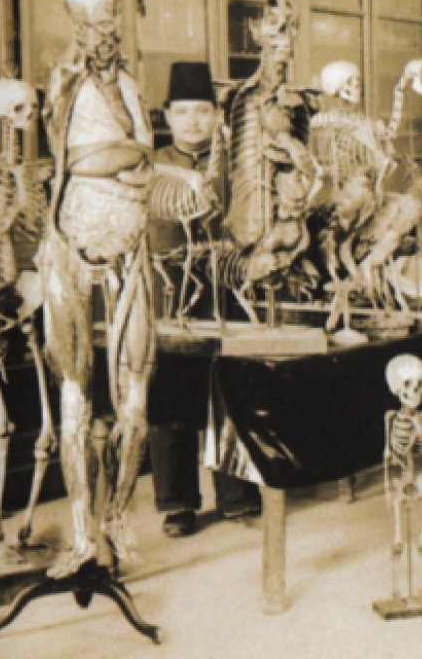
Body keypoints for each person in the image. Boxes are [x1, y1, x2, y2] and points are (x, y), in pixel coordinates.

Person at [150, 62, 261, 537]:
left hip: (227, 288)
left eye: (201, 111)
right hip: (169, 290)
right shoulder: (150, 166)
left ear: (217, 115)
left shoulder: (235, 168)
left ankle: (238, 495)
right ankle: (178, 504)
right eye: (182, 112)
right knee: (172, 395)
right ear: (167, 117)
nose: (192, 121)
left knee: (231, 392)